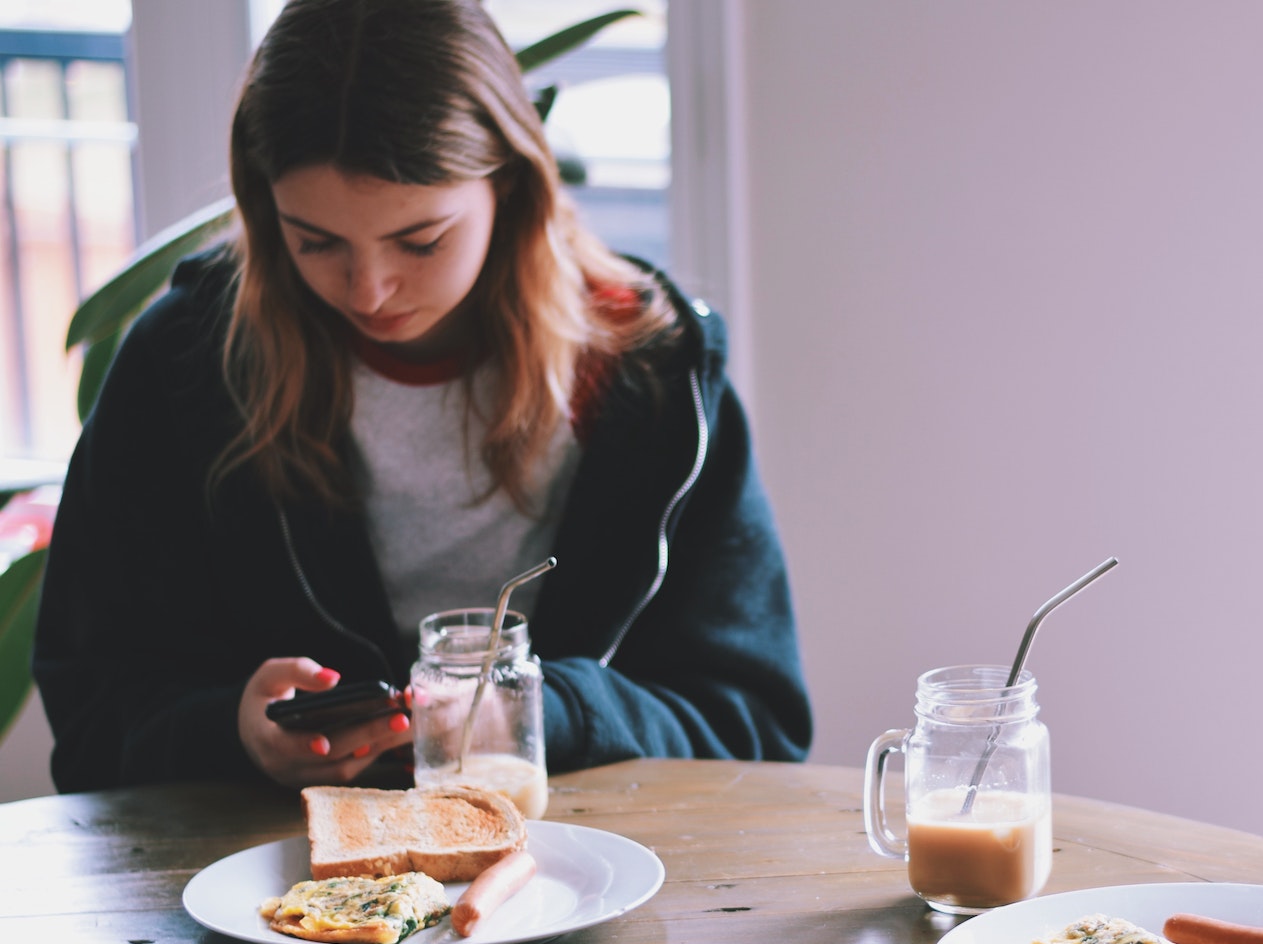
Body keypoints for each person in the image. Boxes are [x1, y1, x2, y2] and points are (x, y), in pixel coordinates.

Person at [34, 0, 810, 794]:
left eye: (421, 240)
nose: (368, 290)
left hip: (596, 875)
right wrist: (233, 731)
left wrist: (549, 712)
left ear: (511, 187)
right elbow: (93, 714)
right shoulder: (186, 366)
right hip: (271, 889)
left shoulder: (650, 372)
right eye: (315, 241)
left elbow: (758, 728)